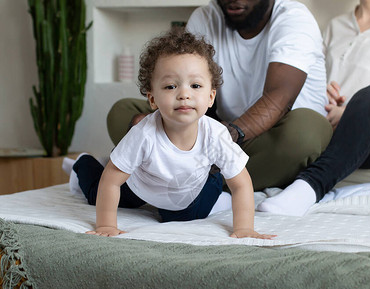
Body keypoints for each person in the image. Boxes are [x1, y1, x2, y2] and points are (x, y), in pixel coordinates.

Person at [67, 30, 275, 239]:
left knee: (188, 214)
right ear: (152, 99)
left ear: (211, 97)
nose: (184, 94)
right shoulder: (144, 134)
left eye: (195, 85)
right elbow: (111, 181)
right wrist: (106, 225)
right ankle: (84, 163)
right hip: (141, 183)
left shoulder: (216, 135)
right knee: (98, 194)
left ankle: (207, 194)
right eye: (170, 86)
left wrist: (244, 228)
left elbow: (241, 183)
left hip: (186, 189)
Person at [106, 0, 333, 192]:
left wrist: (226, 137)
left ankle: (170, 179)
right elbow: (193, 92)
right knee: (124, 112)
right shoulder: (205, 17)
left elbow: (279, 97)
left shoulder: (294, 18)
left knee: (306, 132)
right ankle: (195, 179)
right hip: (218, 133)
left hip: (271, 137)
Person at [257, 0, 370, 216]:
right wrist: (326, 92)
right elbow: (317, 79)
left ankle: (309, 188)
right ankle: (232, 189)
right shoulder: (335, 25)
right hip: (333, 126)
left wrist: (349, 110)